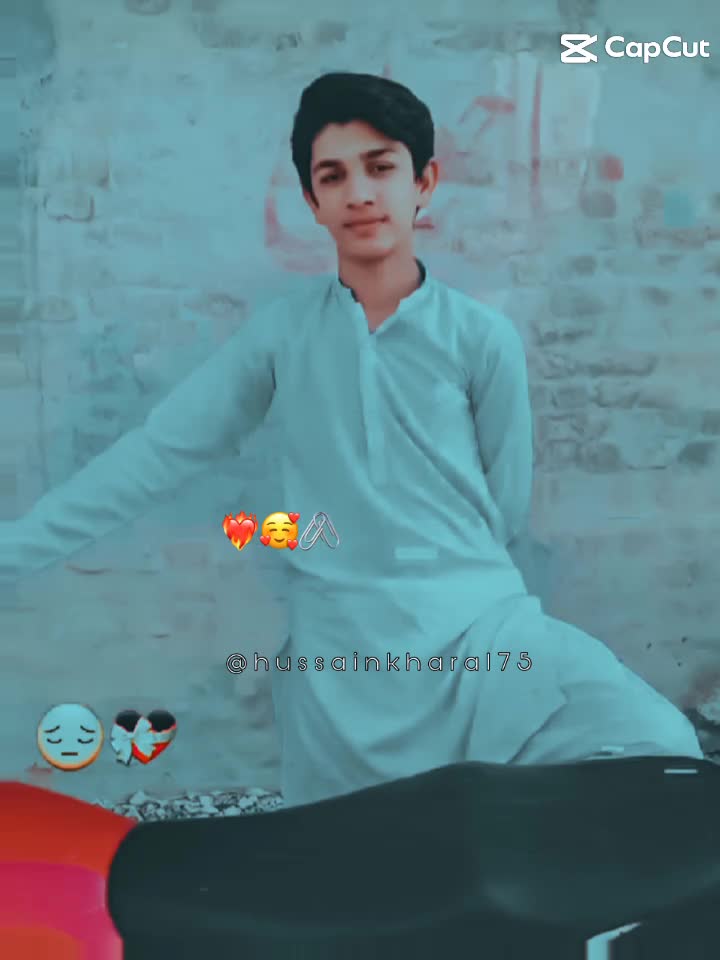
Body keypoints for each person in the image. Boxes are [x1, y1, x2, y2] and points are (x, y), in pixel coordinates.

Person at [1, 71, 702, 807]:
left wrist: (434, 566)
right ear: (312, 201)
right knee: (368, 852)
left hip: (480, 634)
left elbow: (506, 504)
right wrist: (18, 547)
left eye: (380, 167)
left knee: (658, 749)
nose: (360, 193)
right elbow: (158, 453)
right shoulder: (282, 333)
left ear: (424, 183)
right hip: (343, 660)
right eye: (333, 176)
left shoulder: (479, 336)